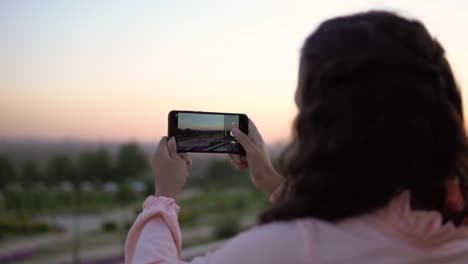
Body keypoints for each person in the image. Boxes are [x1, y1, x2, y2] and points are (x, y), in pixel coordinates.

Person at [125, 11, 468, 263]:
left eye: (304, 109)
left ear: (330, 127)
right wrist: (271, 180)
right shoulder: (452, 228)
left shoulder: (291, 250)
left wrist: (162, 199)